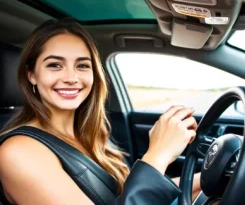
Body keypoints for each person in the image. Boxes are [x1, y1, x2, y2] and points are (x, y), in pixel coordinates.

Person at [0, 19, 200, 205]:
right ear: (32, 75)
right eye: (55, 65)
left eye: (83, 66)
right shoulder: (17, 152)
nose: (71, 77)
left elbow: (132, 196)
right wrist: (158, 155)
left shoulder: (90, 133)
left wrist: (209, 177)